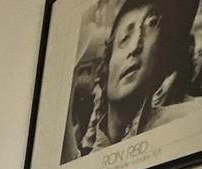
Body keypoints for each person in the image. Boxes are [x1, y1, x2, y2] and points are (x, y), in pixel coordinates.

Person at [69, 0, 199, 157]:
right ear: (108, 63)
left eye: (152, 25)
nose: (135, 46)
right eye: (125, 38)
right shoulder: (84, 156)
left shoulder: (186, 121)